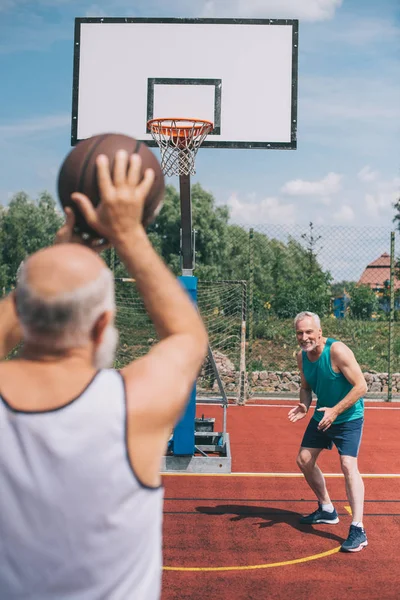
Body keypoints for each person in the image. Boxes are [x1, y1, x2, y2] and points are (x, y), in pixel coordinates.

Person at [0, 150, 208, 599]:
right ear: (100, 326)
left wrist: (64, 254)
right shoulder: (132, 407)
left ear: (23, 311)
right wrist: (128, 234)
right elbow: (188, 337)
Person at [288, 311, 368, 553]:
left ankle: (358, 528)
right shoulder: (302, 357)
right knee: (303, 460)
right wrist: (304, 404)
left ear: (320, 332)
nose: (304, 337)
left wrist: (335, 411)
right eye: (300, 333)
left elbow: (361, 386)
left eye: (309, 332)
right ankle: (327, 509)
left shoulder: (337, 351)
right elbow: (305, 387)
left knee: (347, 465)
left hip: (347, 416)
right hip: (323, 414)